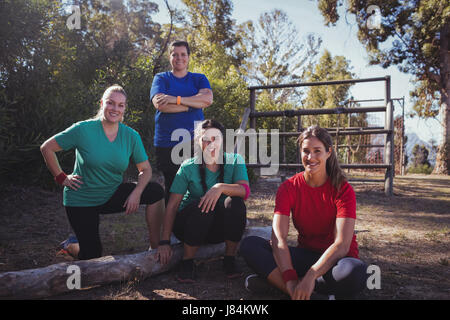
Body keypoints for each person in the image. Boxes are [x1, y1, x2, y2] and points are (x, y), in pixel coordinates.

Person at [240, 125, 368, 300]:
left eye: (317, 151)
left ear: (328, 152)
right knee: (251, 245)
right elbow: (279, 238)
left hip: (337, 261)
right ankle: (302, 292)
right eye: (306, 151)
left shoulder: (342, 189)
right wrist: (291, 279)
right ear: (300, 152)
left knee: (355, 273)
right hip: (306, 256)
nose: (311, 157)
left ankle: (276, 283)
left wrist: (311, 276)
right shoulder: (289, 187)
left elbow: (342, 245)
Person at [40, 85, 165, 260]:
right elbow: (47, 148)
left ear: (124, 108)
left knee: (155, 191)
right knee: (92, 255)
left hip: (110, 193)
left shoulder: (131, 136)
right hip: (82, 199)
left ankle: (155, 247)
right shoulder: (83, 129)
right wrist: (61, 177)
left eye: (120, 105)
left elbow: (145, 169)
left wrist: (136, 193)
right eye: (111, 103)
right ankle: (70, 245)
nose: (115, 109)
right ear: (102, 104)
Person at [156, 119, 250, 282]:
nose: (211, 144)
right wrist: (164, 241)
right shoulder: (188, 166)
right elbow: (172, 206)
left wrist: (219, 187)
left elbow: (245, 191)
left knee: (236, 204)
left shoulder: (235, 161)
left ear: (222, 141)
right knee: (203, 206)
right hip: (189, 226)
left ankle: (229, 259)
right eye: (206, 139)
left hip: (219, 230)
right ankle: (187, 262)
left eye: (216, 139)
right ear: (198, 142)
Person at [150, 40, 213, 202]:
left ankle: (195, 224)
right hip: (167, 143)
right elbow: (160, 105)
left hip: (196, 141)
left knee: (198, 186)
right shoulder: (161, 78)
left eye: (183, 54)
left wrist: (175, 99)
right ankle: (173, 226)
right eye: (175, 54)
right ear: (169, 57)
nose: (179, 58)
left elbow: (207, 99)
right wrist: (190, 105)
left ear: (189, 57)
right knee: (173, 187)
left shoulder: (198, 78)